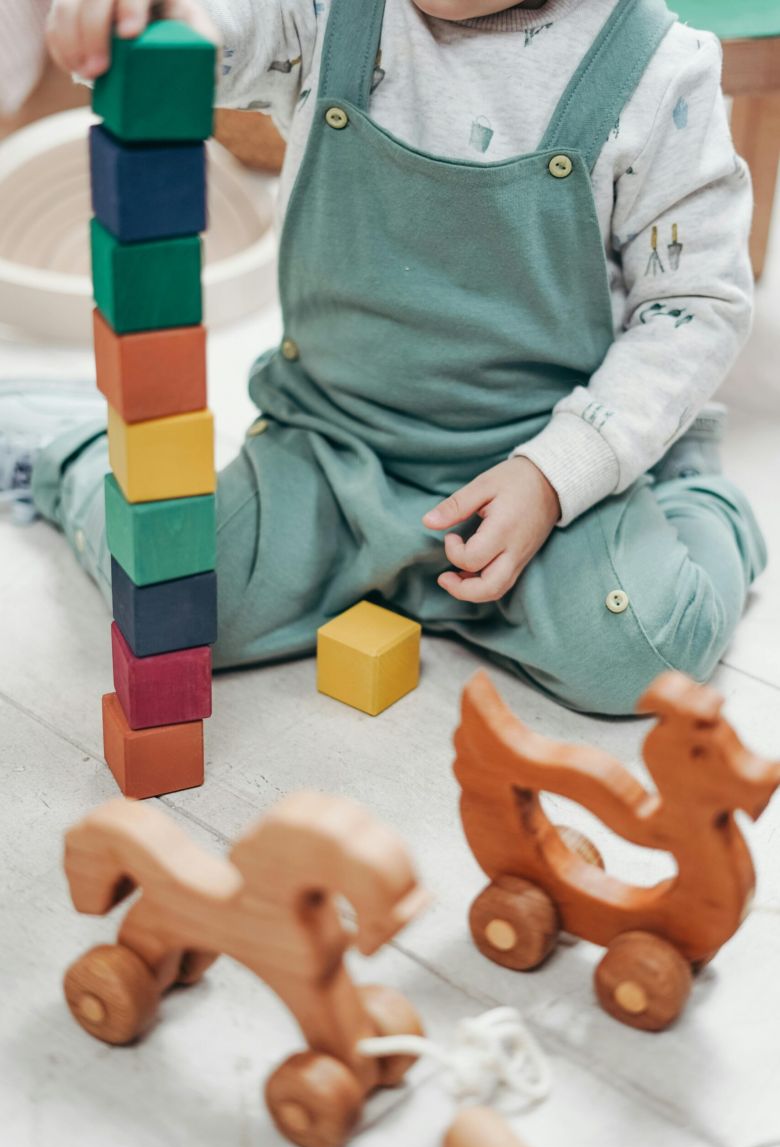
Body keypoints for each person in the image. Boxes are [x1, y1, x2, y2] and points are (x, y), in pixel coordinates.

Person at [3, 0, 766, 714]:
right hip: (327, 451)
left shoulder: (658, 69)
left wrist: (561, 471)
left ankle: (692, 487)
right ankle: (67, 450)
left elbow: (697, 305)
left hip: (536, 469)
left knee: (648, 656)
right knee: (165, 593)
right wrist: (160, 20)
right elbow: (214, 32)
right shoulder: (327, 12)